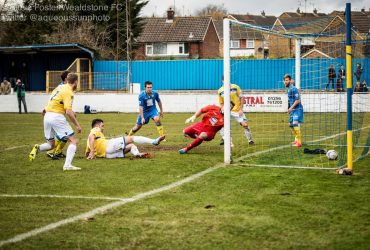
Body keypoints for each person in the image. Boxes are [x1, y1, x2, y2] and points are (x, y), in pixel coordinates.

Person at [28, 73, 82, 171]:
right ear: (75, 82)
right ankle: (67, 165)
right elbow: (68, 112)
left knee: (51, 145)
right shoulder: (69, 92)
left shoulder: (58, 88)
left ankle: (38, 148)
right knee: (73, 141)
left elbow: (53, 101)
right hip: (56, 117)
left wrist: (44, 110)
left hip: (47, 116)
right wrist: (77, 125)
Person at [85, 119, 165, 159]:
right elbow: (91, 136)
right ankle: (153, 141)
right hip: (109, 146)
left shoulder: (88, 142)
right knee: (131, 138)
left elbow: (86, 154)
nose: (103, 128)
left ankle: (137, 154)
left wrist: (90, 154)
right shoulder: (95, 129)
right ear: (97, 126)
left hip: (108, 155)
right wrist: (92, 151)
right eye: (102, 126)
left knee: (131, 146)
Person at [218, 76, 254, 145]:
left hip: (237, 111)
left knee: (245, 125)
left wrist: (241, 109)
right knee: (223, 125)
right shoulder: (220, 90)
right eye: (224, 80)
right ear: (222, 80)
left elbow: (241, 98)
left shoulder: (235, 87)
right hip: (227, 111)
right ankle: (225, 139)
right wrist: (223, 109)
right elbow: (221, 103)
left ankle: (250, 140)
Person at [46, 70, 71, 159]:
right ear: (66, 79)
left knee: (65, 134)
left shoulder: (62, 87)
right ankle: (50, 151)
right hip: (55, 115)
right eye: (69, 76)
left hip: (57, 114)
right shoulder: (63, 87)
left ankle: (58, 151)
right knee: (65, 134)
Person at [284, 74, 304, 147]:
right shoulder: (289, 89)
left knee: (295, 123)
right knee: (291, 125)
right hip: (293, 110)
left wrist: (291, 108)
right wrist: (289, 109)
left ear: (290, 80)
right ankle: (296, 140)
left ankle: (299, 142)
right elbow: (290, 100)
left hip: (297, 109)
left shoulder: (294, 89)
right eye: (284, 80)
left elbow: (298, 100)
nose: (285, 82)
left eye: (287, 80)